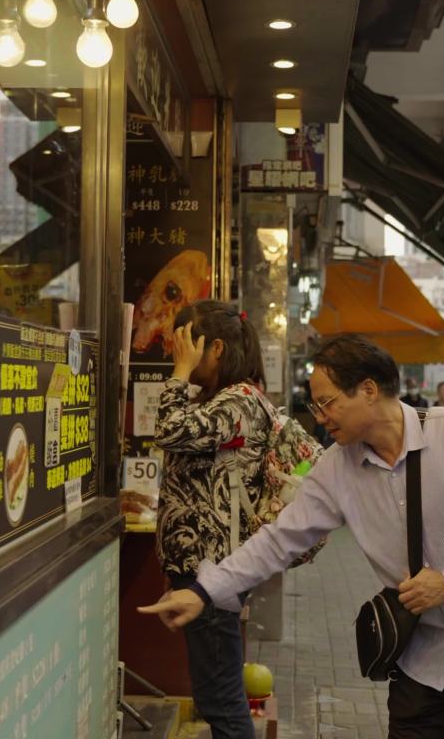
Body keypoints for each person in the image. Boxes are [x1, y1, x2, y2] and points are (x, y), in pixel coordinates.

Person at [139, 334, 444, 739]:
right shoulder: (336, 469)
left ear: (369, 390)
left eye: (327, 403)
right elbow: (278, 540)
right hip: (423, 655)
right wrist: (204, 590)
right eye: (315, 405)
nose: (319, 416)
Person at [152, 300, 271, 739]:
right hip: (201, 571)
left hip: (214, 574)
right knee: (214, 694)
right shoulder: (222, 401)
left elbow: (168, 429)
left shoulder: (239, 403)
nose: (175, 353)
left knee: (221, 700)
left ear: (215, 348)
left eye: (186, 344)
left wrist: (179, 375)